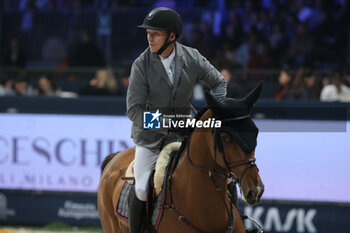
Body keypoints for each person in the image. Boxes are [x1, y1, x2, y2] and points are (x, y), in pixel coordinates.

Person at [126, 7, 227, 233]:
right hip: (150, 137)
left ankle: (235, 223)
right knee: (142, 186)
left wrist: (215, 111)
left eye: (155, 33)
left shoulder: (192, 57)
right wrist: (165, 122)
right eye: (148, 33)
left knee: (222, 172)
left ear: (171, 36)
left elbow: (219, 83)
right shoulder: (141, 64)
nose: (149, 38)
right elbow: (134, 110)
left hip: (186, 130)